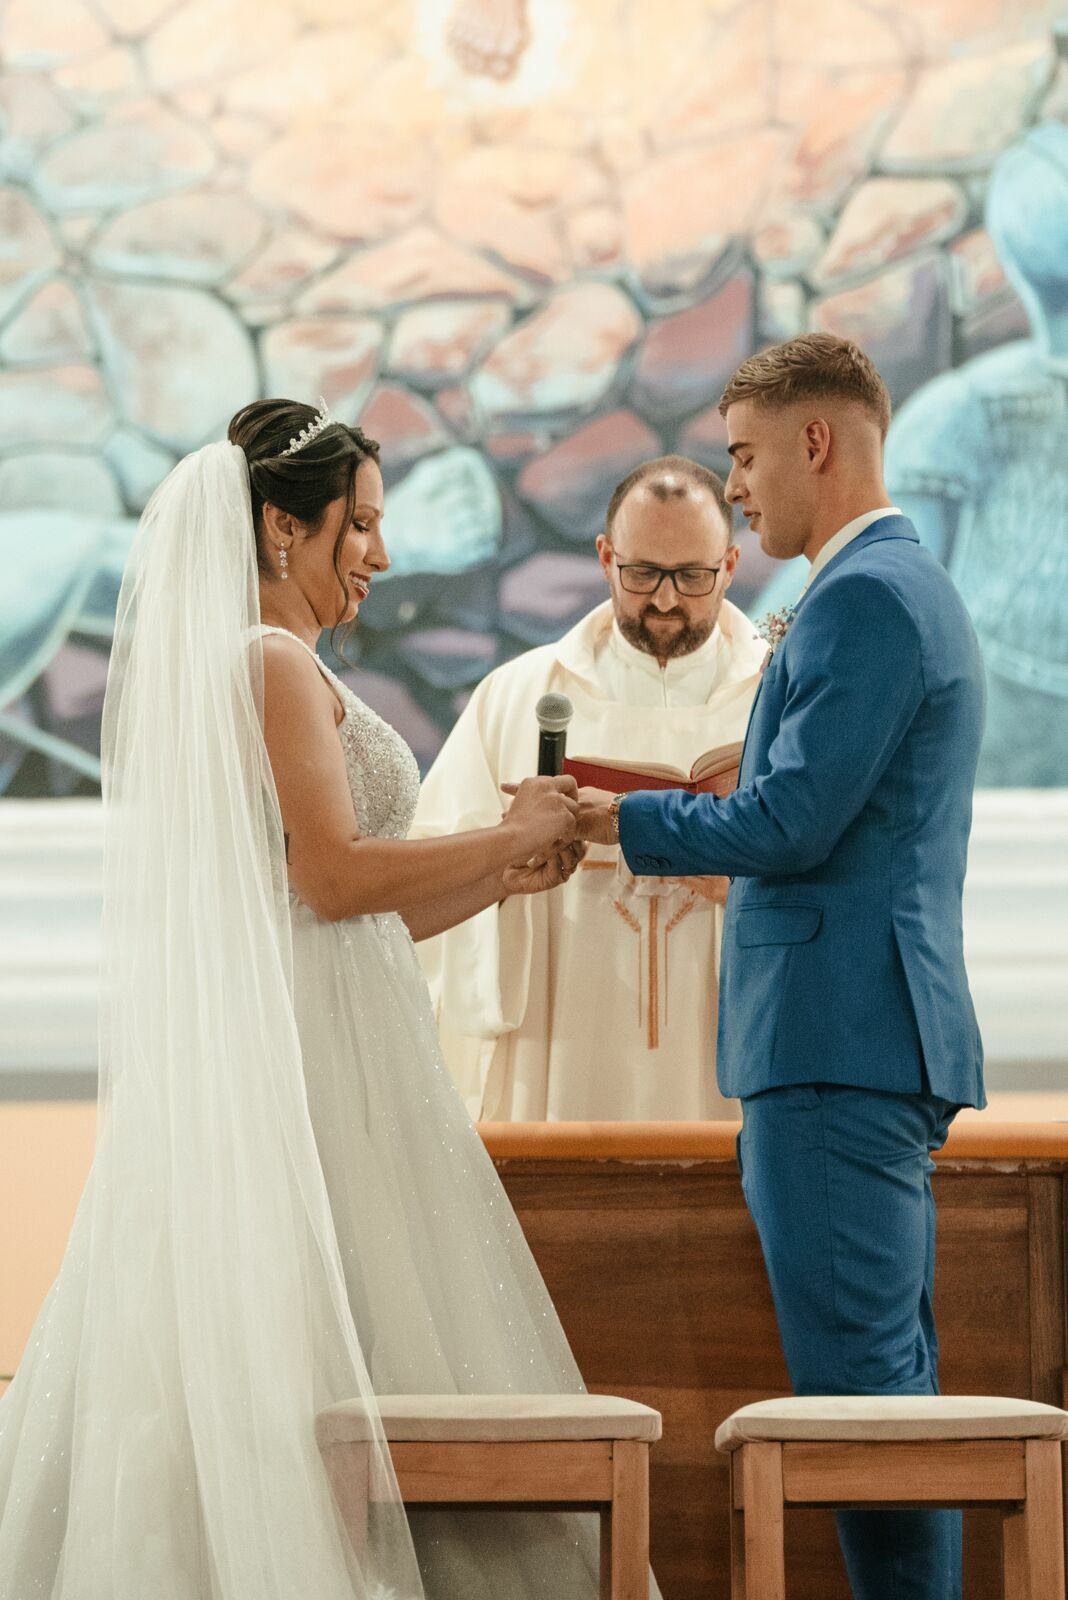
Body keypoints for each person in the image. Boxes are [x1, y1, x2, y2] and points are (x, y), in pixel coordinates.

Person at [0, 397, 639, 1600]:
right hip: (308, 1061)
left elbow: (357, 913)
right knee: (318, 1337)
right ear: (282, 528)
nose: (380, 554)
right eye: (362, 525)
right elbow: (332, 877)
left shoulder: (282, 662)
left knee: (356, 1336)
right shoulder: (269, 662)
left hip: (338, 1023)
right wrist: (501, 834)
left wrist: (501, 872)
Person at [575, 336, 985, 1600]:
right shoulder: (893, 584)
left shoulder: (867, 597)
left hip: (834, 1040)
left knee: (863, 1413)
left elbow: (796, 823)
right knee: (882, 1399)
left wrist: (616, 819)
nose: (738, 486)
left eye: (746, 456)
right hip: (857, 1035)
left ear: (818, 441)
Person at [413, 457, 765, 1121]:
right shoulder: (517, 698)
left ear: (729, 565)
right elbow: (431, 887)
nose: (666, 601)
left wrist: (746, 876)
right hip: (563, 1037)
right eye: (643, 574)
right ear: (606, 558)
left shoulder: (779, 700)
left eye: (692, 576)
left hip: (731, 1045)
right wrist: (505, 870)